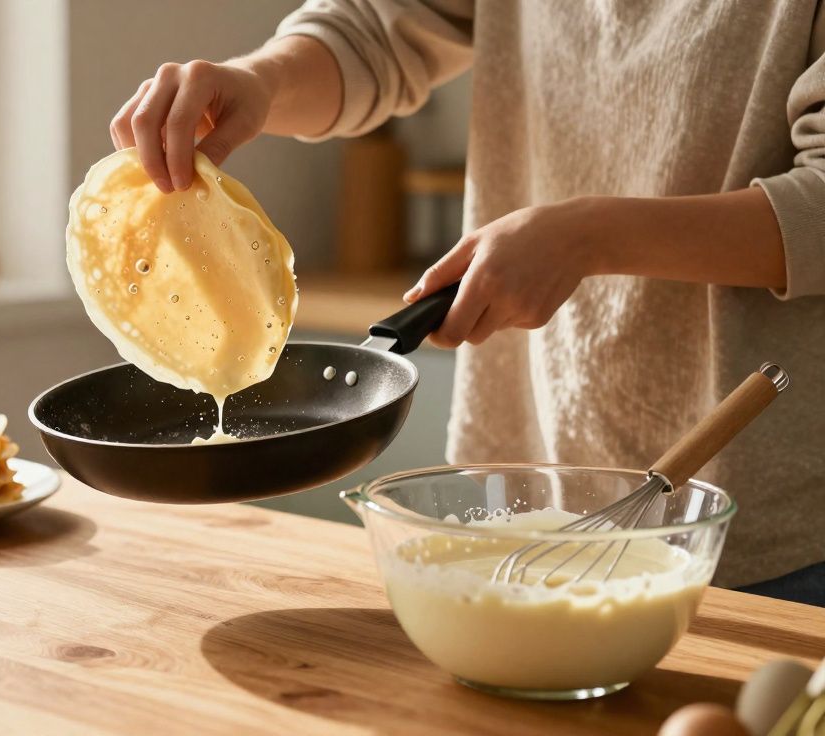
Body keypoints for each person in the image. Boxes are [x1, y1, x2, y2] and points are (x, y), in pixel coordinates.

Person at [110, 1, 825, 606]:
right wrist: (259, 79)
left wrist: (587, 237)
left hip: (763, 511)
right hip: (527, 463)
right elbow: (379, 29)